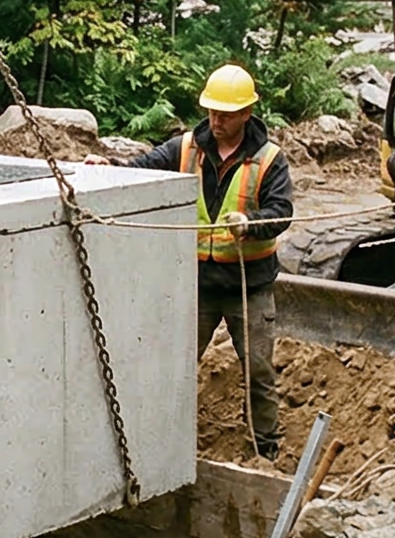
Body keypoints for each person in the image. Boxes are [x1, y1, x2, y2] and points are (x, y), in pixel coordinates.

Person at [94, 63, 296, 460]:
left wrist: (250, 223)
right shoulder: (186, 148)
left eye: (225, 114)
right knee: (175, 367)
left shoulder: (270, 160)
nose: (215, 120)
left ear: (246, 114)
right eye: (211, 112)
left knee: (258, 371)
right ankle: (162, 442)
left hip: (247, 286)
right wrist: (110, 170)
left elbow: (282, 211)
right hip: (196, 286)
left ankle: (265, 449)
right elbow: (144, 169)